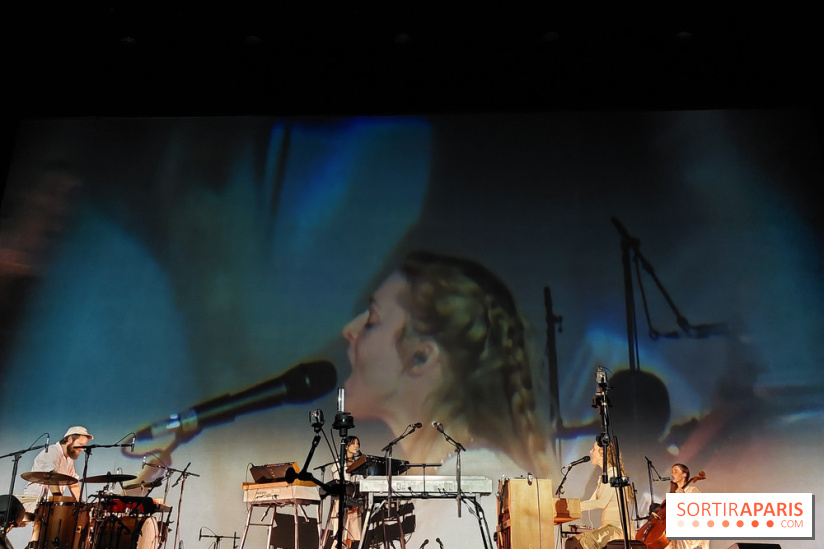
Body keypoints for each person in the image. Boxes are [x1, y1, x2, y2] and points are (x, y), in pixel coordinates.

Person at [342, 250, 551, 475]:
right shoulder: (449, 479)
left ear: (421, 357)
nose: (348, 331)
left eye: (373, 319)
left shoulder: (475, 487)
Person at [566, 439, 634, 549]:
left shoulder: (615, 474)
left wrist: (573, 507)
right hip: (608, 529)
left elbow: (601, 503)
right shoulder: (604, 477)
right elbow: (592, 501)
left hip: (618, 530)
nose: (590, 452)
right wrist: (570, 508)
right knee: (572, 542)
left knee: (585, 541)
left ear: (602, 453)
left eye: (594, 449)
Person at [21, 426, 93, 511]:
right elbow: (52, 478)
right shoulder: (51, 452)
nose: (82, 449)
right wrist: (59, 502)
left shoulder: (69, 459)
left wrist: (82, 504)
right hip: (36, 502)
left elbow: (73, 483)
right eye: (80, 445)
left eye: (84, 446)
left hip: (51, 503)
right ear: (70, 439)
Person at [326, 436, 364, 549]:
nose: (357, 446)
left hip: (353, 502)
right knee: (339, 537)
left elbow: (360, 481)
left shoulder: (358, 463)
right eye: (354, 443)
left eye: (358, 444)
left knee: (349, 537)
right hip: (341, 501)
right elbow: (338, 480)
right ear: (346, 446)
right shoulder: (339, 463)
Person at [666, 463, 708, 549]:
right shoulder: (673, 493)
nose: (672, 474)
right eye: (672, 472)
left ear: (684, 475)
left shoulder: (692, 490)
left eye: (676, 471)